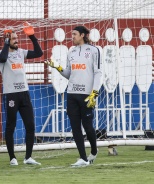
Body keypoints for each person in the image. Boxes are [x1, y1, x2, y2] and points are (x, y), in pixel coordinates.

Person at [45, 26, 102, 167]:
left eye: (75, 34)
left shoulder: (94, 51)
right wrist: (56, 67)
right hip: (71, 94)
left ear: (82, 35)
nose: (73, 37)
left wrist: (94, 93)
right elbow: (68, 74)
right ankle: (83, 158)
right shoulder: (71, 51)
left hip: (87, 95)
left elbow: (98, 73)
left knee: (88, 127)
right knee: (75, 127)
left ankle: (94, 151)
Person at [0, 22, 43, 166]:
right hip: (11, 94)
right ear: (7, 40)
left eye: (17, 38)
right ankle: (12, 158)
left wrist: (32, 37)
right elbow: (3, 59)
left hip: (24, 93)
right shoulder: (0, 53)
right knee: (11, 126)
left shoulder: (21, 52)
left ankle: (28, 157)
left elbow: (39, 53)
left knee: (30, 125)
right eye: (14, 38)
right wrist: (5, 43)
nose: (17, 40)